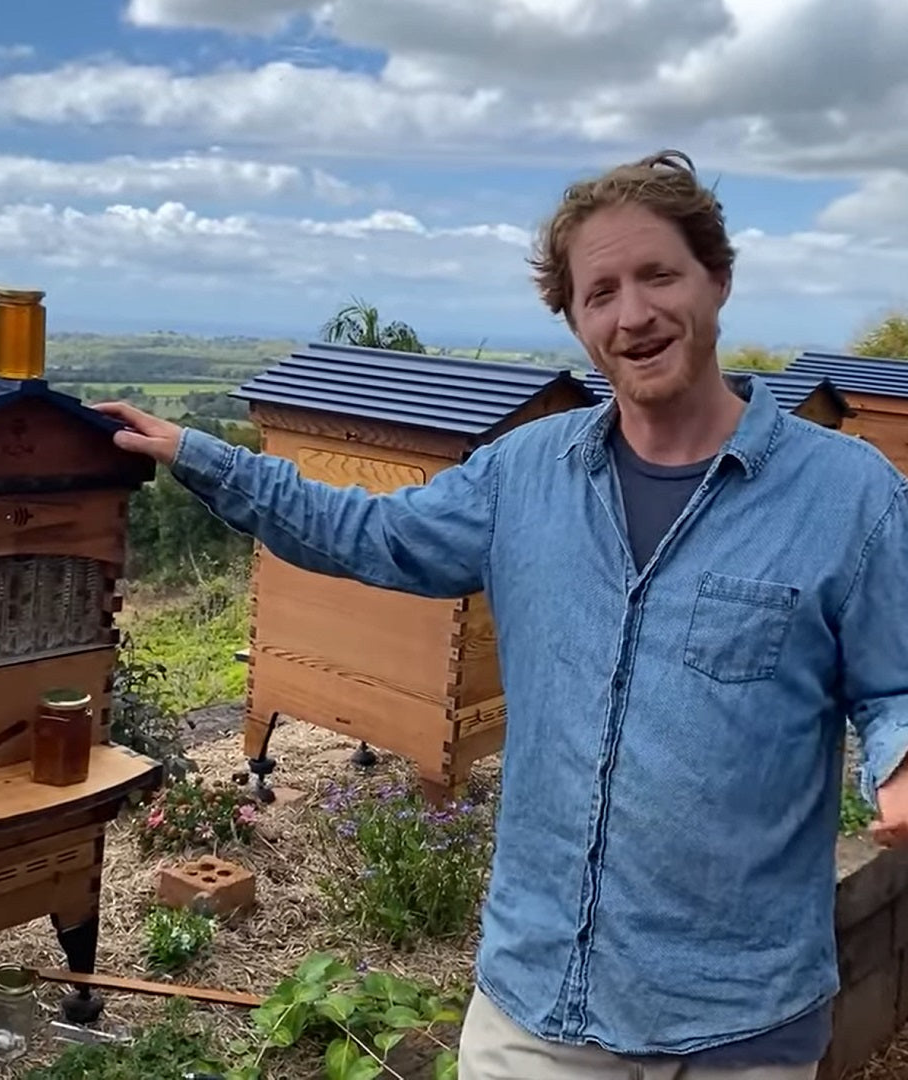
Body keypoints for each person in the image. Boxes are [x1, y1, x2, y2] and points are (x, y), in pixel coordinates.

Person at [94, 150, 908, 1079]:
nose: (632, 313)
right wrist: (205, 457)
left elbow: (894, 679)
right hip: (537, 1009)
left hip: (739, 1023)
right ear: (574, 319)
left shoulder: (848, 495)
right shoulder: (525, 475)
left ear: (717, 279)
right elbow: (371, 533)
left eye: (657, 275)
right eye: (599, 292)